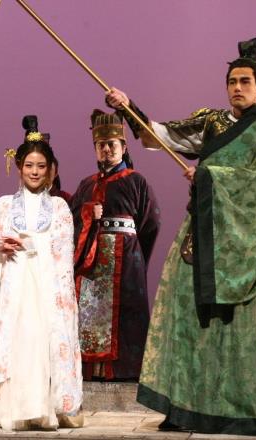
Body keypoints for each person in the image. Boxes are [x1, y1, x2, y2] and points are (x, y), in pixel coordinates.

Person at [107, 38, 256, 435]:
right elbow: (160, 136)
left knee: (244, 329)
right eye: (232, 81)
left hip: (247, 243)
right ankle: (186, 408)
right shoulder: (212, 122)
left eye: (245, 82)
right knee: (186, 320)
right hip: (199, 234)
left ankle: (247, 410)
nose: (237, 88)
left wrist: (209, 175)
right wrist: (128, 108)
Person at [0, 115, 83, 430]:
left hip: (44, 288)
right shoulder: (3, 206)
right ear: (18, 167)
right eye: (29, 165)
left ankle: (44, 409)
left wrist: (34, 245)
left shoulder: (59, 208)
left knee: (41, 344)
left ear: (51, 170)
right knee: (16, 344)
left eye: (41, 166)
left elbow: (62, 250)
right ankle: (12, 409)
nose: (35, 171)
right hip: (13, 290)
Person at [70, 110, 160, 381]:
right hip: (92, 261)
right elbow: (70, 219)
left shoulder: (137, 181)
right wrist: (87, 213)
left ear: (124, 146)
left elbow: (151, 224)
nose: (107, 149)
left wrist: (136, 258)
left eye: (112, 144)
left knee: (127, 315)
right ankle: (90, 371)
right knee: (89, 314)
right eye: (101, 145)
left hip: (126, 262)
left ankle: (123, 372)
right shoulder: (86, 184)